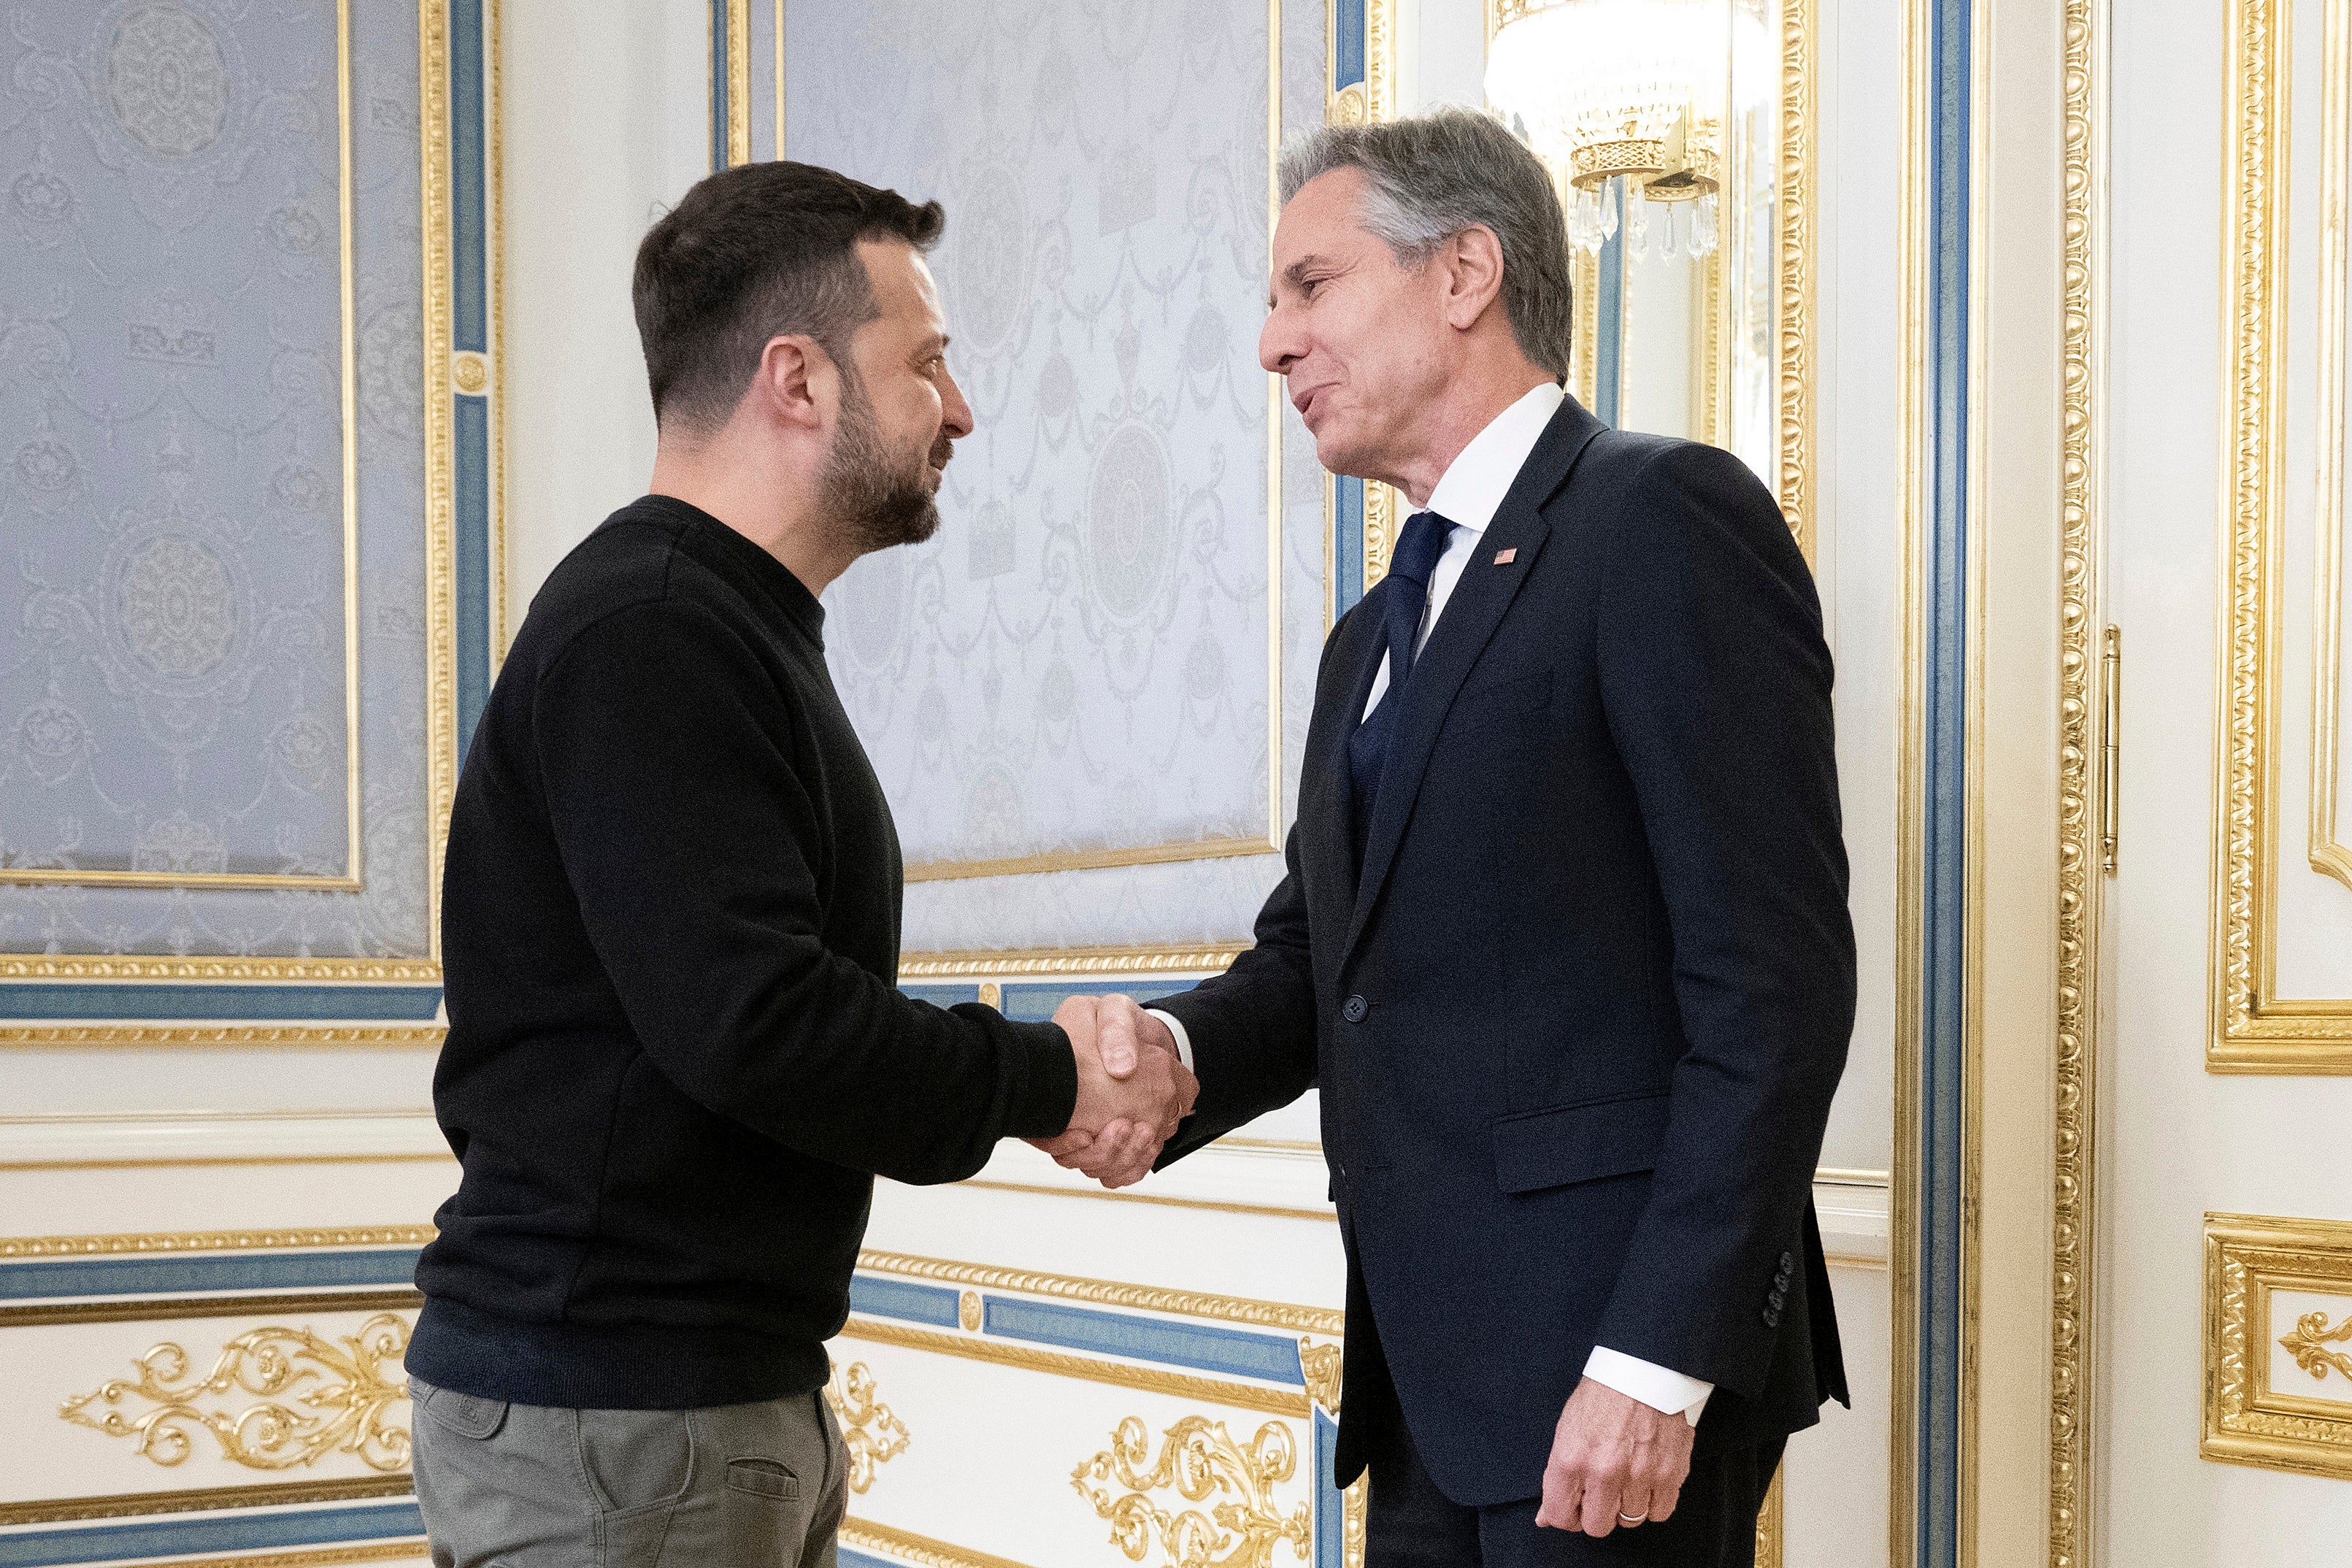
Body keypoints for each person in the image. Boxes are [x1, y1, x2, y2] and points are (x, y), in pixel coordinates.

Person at [1045, 110, 1854, 1567]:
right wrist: (1170, 1057)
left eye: (1310, 286)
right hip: (1425, 1391)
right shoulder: (1371, 636)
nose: (1272, 344)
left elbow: (1776, 990)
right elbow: (1318, 963)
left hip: (1607, 1390)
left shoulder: (1659, 519)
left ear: (1465, 271)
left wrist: (1654, 1362)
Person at [404, 161, 1195, 1568]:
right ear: (799, 378)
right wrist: (1052, 1079)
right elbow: (755, 1023)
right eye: (927, 363)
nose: (959, 410)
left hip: (683, 1407)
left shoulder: (718, 625)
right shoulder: (650, 630)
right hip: (620, 1418)